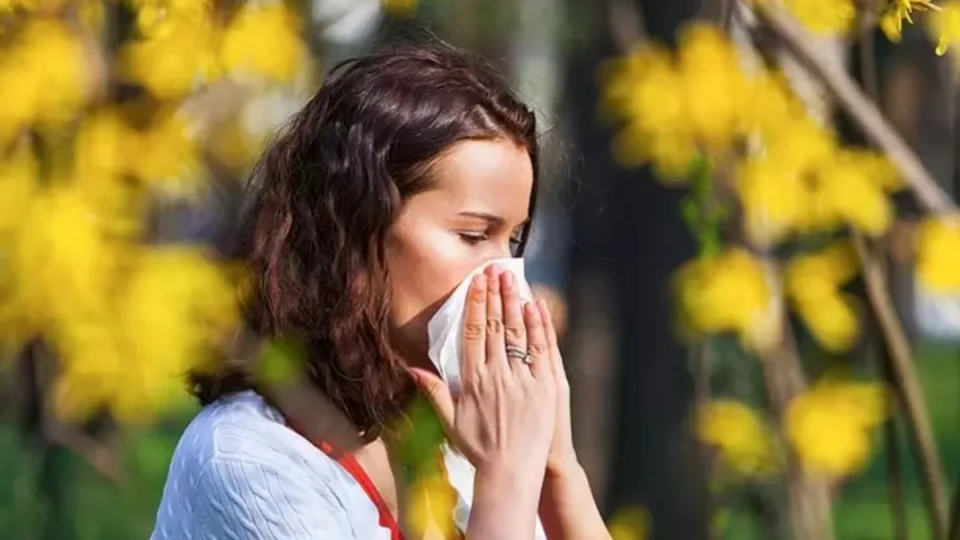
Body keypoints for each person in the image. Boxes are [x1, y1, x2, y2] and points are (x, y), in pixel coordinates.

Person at [150, 41, 609, 540]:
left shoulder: (458, 443)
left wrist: (556, 467)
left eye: (514, 240)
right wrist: (508, 475)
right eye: (474, 235)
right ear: (355, 228)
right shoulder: (247, 459)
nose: (505, 278)